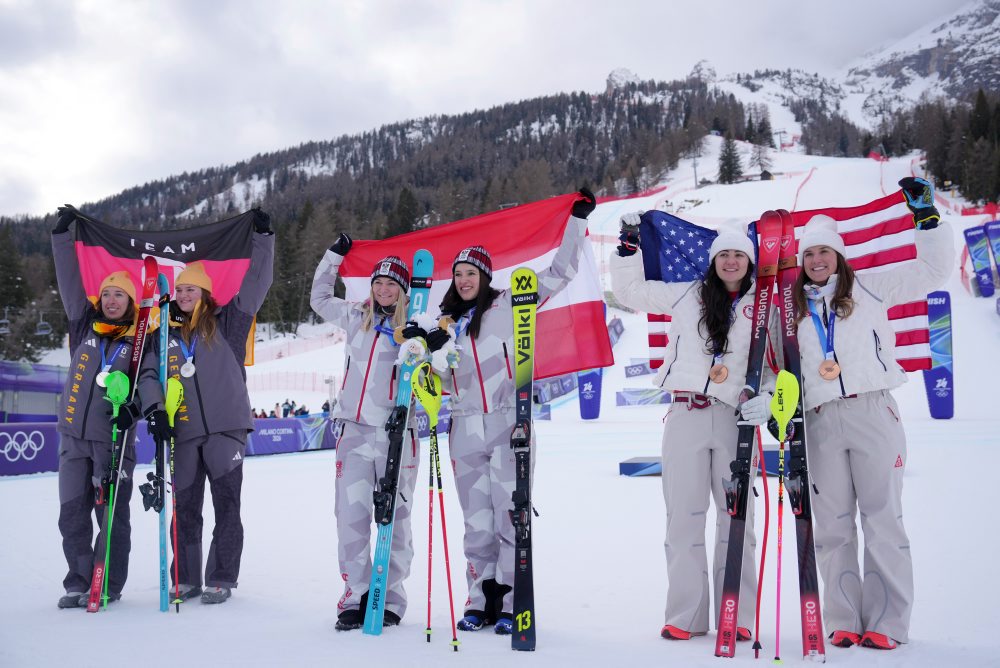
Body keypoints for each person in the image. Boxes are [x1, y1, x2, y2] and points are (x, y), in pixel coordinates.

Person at [789, 178, 953, 651]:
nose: (817, 261)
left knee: (882, 520)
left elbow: (934, 268)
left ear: (839, 256)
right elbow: (781, 368)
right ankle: (843, 618)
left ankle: (886, 622)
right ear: (801, 263)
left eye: (825, 252)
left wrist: (926, 218)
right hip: (820, 420)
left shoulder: (873, 287)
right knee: (834, 525)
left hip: (872, 410)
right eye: (809, 254)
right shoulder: (793, 309)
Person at [428, 188, 595, 635]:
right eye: (459, 274)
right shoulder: (443, 326)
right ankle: (479, 597)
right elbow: (438, 383)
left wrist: (576, 221)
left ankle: (510, 598)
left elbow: (561, 272)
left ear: (485, 277)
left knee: (511, 514)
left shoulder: (511, 304)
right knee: (476, 520)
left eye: (472, 273)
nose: (464, 280)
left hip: (508, 422)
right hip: (463, 427)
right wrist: (429, 357)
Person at [610, 213, 767, 641]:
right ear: (713, 260)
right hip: (686, 414)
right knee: (683, 518)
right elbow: (630, 290)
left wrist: (768, 399)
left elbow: (772, 365)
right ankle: (686, 615)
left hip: (735, 419)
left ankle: (739, 615)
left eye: (739, 255)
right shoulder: (687, 294)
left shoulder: (763, 304)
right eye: (724, 255)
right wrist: (628, 248)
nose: (731, 262)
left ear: (749, 262)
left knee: (738, 521)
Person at [139, 208, 274, 605]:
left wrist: (264, 241)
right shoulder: (162, 333)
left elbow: (258, 282)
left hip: (227, 428)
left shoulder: (229, 323)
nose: (183, 295)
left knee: (227, 506)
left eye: (191, 290)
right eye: (180, 290)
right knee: (185, 508)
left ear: (205, 294)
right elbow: (147, 375)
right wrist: (154, 410)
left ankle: (221, 577)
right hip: (183, 430)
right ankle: (184, 578)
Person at [311, 241, 437, 631]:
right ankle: (355, 596)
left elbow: (436, 381)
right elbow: (318, 298)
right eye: (378, 282)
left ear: (404, 290)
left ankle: (389, 597)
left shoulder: (417, 329)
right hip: (353, 432)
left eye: (391, 284)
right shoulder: (355, 317)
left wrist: (425, 348)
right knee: (350, 517)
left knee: (395, 519)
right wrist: (332, 255)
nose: (383, 289)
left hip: (398, 434)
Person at [50, 205, 172, 609]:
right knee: (72, 514)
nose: (112, 299)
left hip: (113, 440)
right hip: (72, 438)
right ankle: (78, 581)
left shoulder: (141, 338)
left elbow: (149, 378)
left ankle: (109, 582)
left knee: (111, 516)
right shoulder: (83, 325)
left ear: (131, 301)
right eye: (107, 294)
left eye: (119, 294)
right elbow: (69, 280)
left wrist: (146, 410)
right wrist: (61, 237)